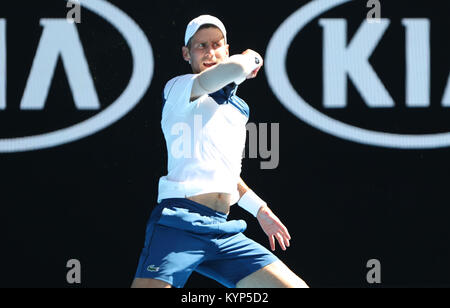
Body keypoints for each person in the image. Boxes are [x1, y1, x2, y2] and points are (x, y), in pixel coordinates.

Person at [131, 15, 308, 288]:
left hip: (222, 229)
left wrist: (260, 209)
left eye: (217, 44)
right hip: (179, 222)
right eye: (201, 46)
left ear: (226, 48)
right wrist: (253, 58)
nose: (210, 52)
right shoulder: (179, 87)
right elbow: (237, 67)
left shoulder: (239, 110)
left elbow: (227, 174)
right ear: (186, 53)